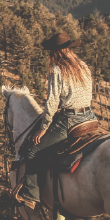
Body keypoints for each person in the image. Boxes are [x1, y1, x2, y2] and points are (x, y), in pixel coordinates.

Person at [12, 32, 96, 210]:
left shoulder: (57, 70)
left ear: (54, 52)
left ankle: (31, 194)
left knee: (33, 149)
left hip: (70, 120)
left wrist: (43, 128)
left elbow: (52, 102)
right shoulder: (83, 66)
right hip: (89, 117)